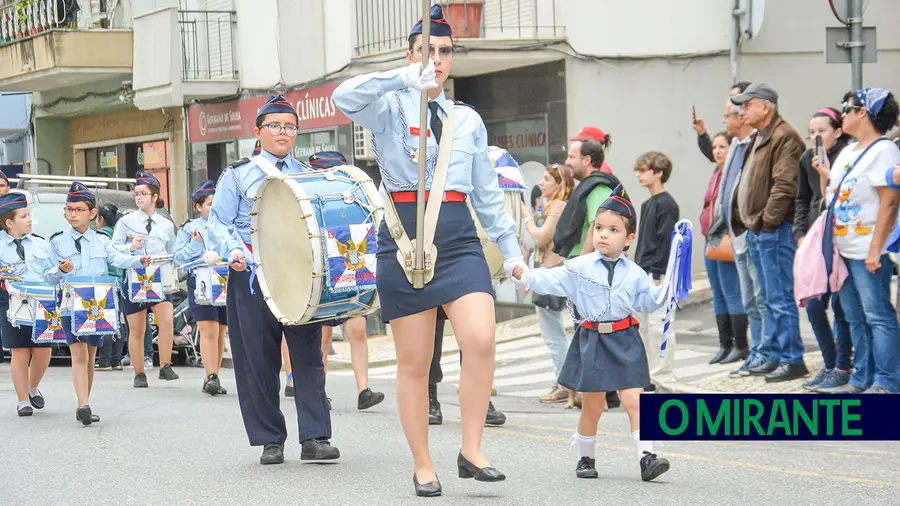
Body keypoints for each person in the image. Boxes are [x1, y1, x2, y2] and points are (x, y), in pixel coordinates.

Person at [333, 5, 521, 496]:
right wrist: (401, 77)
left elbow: (486, 194)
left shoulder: (468, 121)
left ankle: (471, 449)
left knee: (480, 338)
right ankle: (423, 463)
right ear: (412, 54)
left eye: (444, 51)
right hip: (403, 238)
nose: (437, 60)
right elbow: (342, 96)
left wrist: (512, 249)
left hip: (458, 240)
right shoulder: (389, 107)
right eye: (427, 51)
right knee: (414, 363)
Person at [206, 94, 339, 465]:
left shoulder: (306, 175)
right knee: (258, 358)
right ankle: (270, 439)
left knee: (308, 356)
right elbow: (218, 221)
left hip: (299, 277)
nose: (283, 132)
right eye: (275, 126)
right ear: (258, 131)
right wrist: (233, 251)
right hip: (250, 275)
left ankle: (315, 436)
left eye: (290, 126)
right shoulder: (236, 175)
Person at [511, 185, 671, 482]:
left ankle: (646, 457)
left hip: (625, 339)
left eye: (613, 229)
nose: (603, 234)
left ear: (628, 239)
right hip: (593, 340)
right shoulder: (579, 267)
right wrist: (527, 275)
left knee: (635, 399)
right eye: (599, 228)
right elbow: (552, 280)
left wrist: (666, 292)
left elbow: (647, 301)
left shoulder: (635, 272)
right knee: (593, 405)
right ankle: (586, 456)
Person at [815, 88, 900, 394]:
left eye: (847, 108)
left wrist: (876, 249)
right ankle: (861, 378)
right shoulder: (849, 151)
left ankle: (888, 380)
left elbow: (889, 204)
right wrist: (825, 173)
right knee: (854, 316)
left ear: (863, 112)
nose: (843, 114)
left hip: (867, 249)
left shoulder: (884, 151)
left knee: (877, 313)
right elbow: (834, 196)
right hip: (844, 248)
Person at [44, 182, 150, 425]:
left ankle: (86, 401)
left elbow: (118, 258)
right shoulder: (58, 241)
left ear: (92, 214)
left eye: (79, 209)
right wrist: (60, 269)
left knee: (90, 355)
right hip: (71, 304)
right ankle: (83, 404)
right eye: (69, 209)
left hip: (96, 304)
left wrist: (138, 260)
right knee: (78, 352)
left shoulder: (102, 240)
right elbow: (47, 275)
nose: (73, 214)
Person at [730, 83, 808, 382]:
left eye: (747, 104)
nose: (742, 110)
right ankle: (776, 354)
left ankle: (792, 358)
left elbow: (785, 186)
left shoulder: (783, 136)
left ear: (766, 106)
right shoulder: (763, 135)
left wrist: (767, 224)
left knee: (779, 297)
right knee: (768, 298)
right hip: (759, 229)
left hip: (774, 230)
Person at [308, 150, 385, 411]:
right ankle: (319, 390)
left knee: (357, 330)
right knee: (322, 336)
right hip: (324, 270)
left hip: (352, 264)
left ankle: (364, 390)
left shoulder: (354, 196)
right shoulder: (309, 198)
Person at [553, 135, 622, 409]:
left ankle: (603, 393)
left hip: (592, 271)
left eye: (572, 157)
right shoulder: (591, 187)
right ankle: (602, 392)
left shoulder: (597, 189)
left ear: (587, 160)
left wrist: (579, 264)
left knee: (595, 330)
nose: (567, 163)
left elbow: (597, 224)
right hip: (590, 269)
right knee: (589, 330)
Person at [706, 97, 770, 378]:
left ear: (742, 117)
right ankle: (756, 353)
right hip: (734, 234)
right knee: (749, 301)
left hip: (751, 234)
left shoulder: (756, 145)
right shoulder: (737, 148)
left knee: (762, 299)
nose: (724, 121)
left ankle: (765, 351)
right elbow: (727, 193)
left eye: (727, 115)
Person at [795, 108, 853, 392]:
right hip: (815, 238)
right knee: (814, 303)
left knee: (842, 306)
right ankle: (829, 364)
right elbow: (802, 199)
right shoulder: (807, 158)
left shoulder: (847, 156)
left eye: (822, 130)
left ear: (838, 131)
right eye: (812, 131)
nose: (816, 136)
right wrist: (799, 233)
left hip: (840, 237)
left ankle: (843, 366)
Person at [112, 170, 178, 388]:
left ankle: (165, 365)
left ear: (155, 197)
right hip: (135, 276)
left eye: (143, 193)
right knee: (138, 329)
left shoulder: (166, 224)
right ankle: (139, 372)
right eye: (136, 193)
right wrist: (131, 248)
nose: (138, 197)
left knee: (167, 319)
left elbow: (172, 252)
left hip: (159, 276)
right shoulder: (125, 222)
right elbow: (113, 251)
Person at [520, 163, 575, 403]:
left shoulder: (559, 205)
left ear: (560, 184)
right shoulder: (553, 205)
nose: (541, 183)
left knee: (554, 333)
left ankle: (563, 382)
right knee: (554, 331)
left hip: (553, 270)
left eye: (546, 179)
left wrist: (527, 219)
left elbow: (542, 237)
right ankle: (564, 381)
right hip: (549, 268)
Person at [173, 180, 228, 396]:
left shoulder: (226, 225)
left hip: (224, 279)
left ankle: (213, 375)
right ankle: (211, 375)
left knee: (221, 329)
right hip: (201, 279)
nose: (213, 208)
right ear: (198, 206)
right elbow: (177, 257)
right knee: (209, 328)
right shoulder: (189, 228)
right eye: (209, 204)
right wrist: (195, 244)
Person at [0, 193, 52, 416]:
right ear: (9, 222)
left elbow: (50, 271)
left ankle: (32, 387)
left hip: (41, 301)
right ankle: (22, 400)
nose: (29, 219)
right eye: (24, 216)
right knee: (19, 350)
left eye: (29, 215)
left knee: (43, 349)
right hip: (12, 301)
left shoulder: (41, 243)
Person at [632, 152, 680, 385]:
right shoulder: (647, 204)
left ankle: (661, 376)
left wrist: (659, 273)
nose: (639, 175)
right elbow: (644, 240)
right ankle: (646, 376)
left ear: (659, 173)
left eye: (643, 170)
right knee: (641, 326)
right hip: (642, 273)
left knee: (659, 326)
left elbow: (666, 241)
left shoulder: (667, 204)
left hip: (657, 274)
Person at [701, 133, 748, 365]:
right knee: (717, 293)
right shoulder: (716, 173)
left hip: (725, 238)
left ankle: (740, 345)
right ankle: (725, 344)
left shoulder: (733, 173)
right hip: (709, 238)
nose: (717, 151)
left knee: (731, 291)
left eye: (722, 146)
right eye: (715, 147)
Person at [95, 203, 126, 371]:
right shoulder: (118, 237)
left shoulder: (99, 238)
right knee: (118, 320)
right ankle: (116, 360)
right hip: (119, 283)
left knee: (105, 320)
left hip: (104, 284)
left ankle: (104, 360)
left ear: (100, 220)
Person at [692, 81, 752, 162]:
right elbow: (714, 155)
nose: (730, 101)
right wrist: (702, 133)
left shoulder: (758, 139)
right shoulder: (734, 140)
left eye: (734, 97)